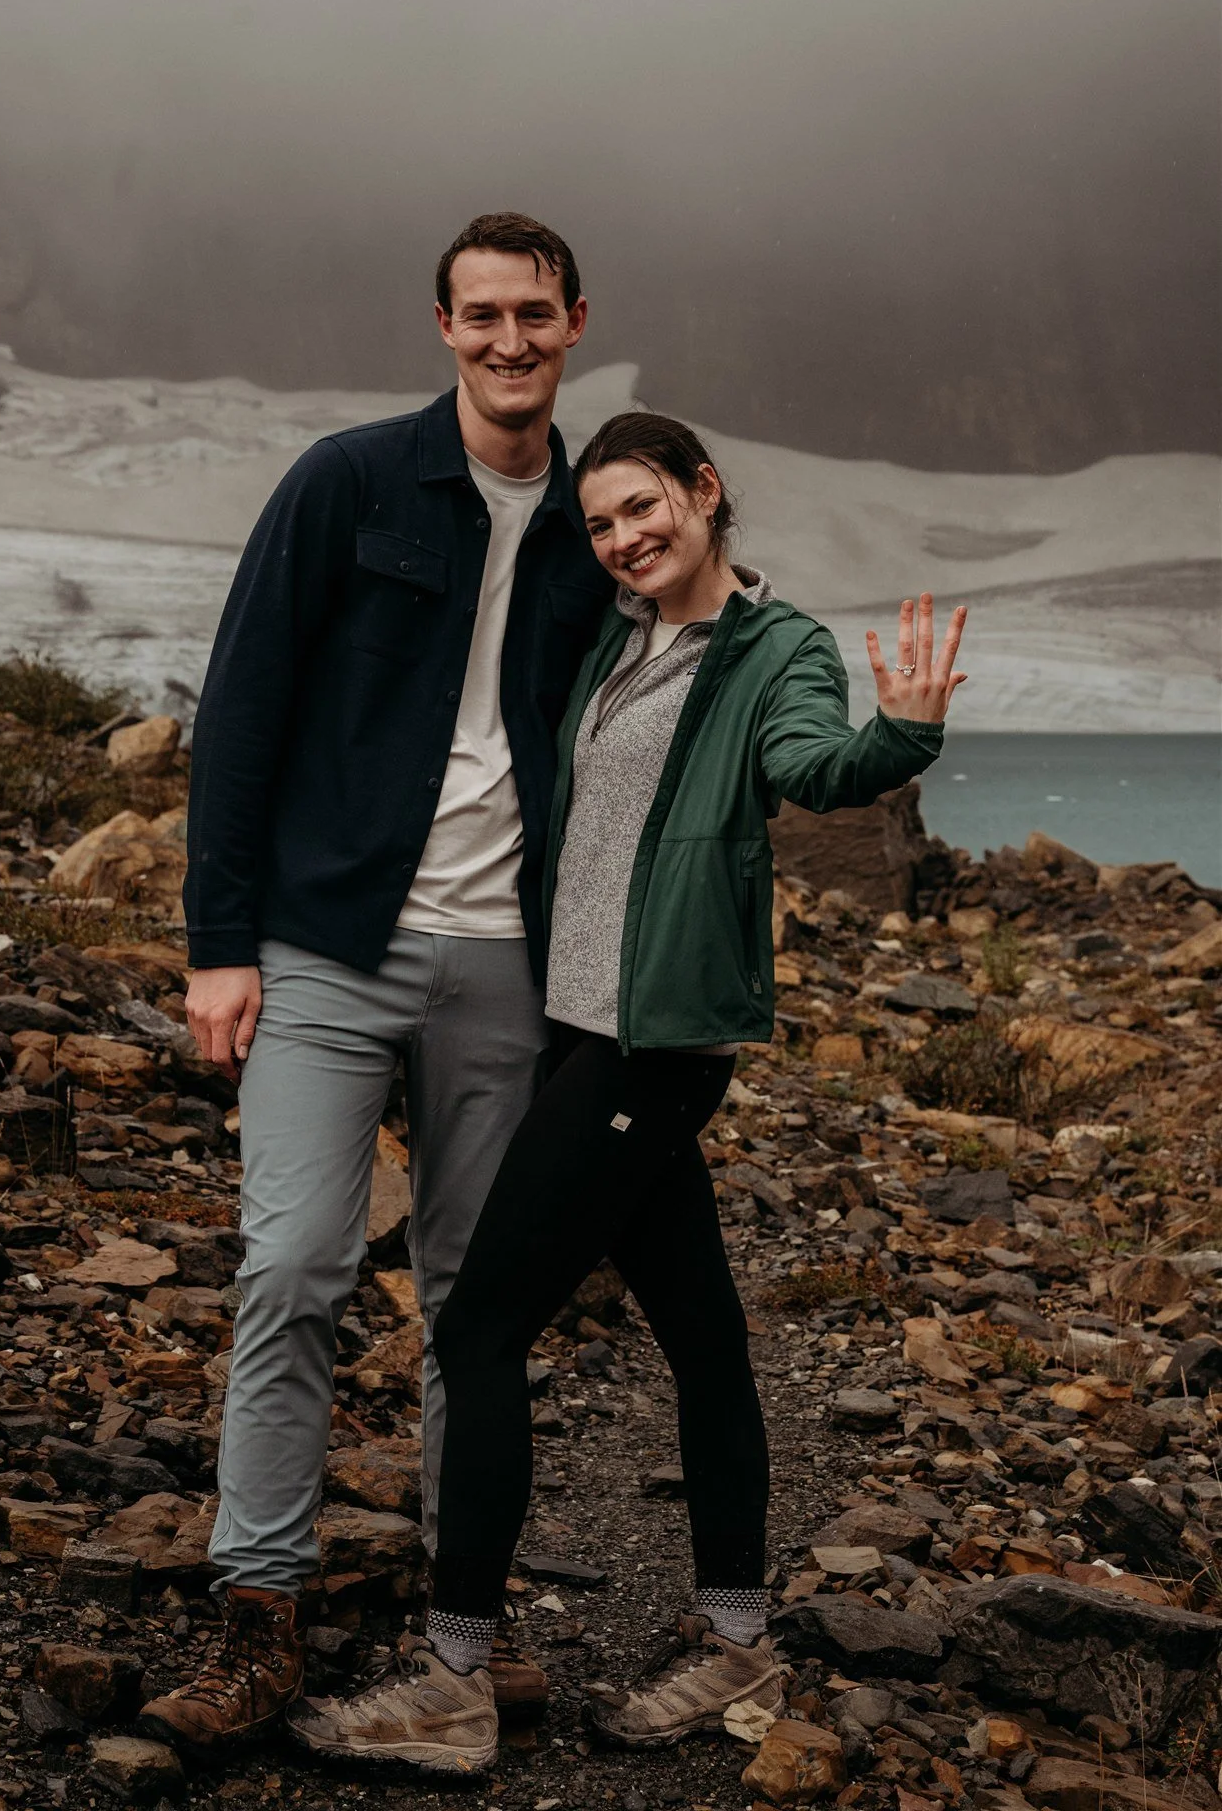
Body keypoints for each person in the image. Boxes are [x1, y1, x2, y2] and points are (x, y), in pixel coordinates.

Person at [289, 410, 968, 1773]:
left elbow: (806, 767)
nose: (625, 537)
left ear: (706, 494)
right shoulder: (617, 638)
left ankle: (456, 1681)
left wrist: (903, 735)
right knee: (705, 1337)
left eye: (645, 507)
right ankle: (736, 1642)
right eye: (602, 523)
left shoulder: (773, 651)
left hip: (648, 1048)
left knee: (478, 1329)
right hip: (573, 1029)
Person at [139, 213, 612, 1752]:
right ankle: (256, 1612)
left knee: (479, 1298)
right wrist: (218, 946)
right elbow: (247, 706)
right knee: (294, 1267)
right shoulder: (346, 482)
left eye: (533, 314)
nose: (508, 341)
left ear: (576, 321)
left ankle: (455, 1622)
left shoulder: (600, 518)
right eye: (482, 315)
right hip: (324, 946)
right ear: (442, 325)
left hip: (506, 965)